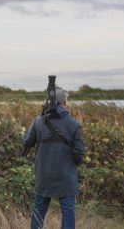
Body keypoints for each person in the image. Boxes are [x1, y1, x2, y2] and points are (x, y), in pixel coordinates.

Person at [23, 87, 86, 229]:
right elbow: (80, 153)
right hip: (66, 175)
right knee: (68, 211)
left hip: (43, 175)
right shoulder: (74, 125)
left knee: (39, 210)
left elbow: (26, 142)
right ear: (64, 103)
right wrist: (72, 165)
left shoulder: (38, 121)